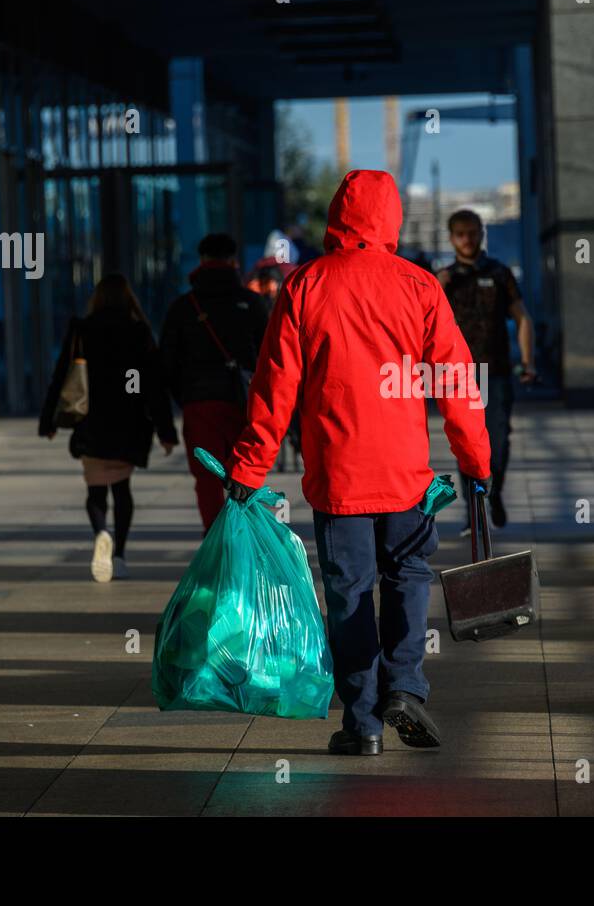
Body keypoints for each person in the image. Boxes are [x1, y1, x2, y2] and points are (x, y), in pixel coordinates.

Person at [223, 170, 491, 757]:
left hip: (337, 475)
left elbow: (274, 389)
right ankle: (406, 686)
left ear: (338, 217)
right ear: (391, 217)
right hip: (405, 474)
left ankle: (363, 723)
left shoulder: (305, 286)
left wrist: (248, 468)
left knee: (348, 592)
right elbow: (456, 381)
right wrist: (477, 461)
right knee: (408, 576)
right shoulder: (420, 286)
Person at [40, 274, 177, 583]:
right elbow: (154, 386)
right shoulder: (138, 332)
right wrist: (166, 431)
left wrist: (48, 421)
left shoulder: (82, 330)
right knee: (122, 489)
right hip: (128, 423)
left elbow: (61, 376)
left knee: (95, 489)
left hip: (91, 421)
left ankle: (102, 532)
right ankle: (120, 556)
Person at [159, 233, 269, 532]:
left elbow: (165, 367)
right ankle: (245, 539)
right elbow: (273, 359)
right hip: (245, 403)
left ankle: (216, 539)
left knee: (207, 481)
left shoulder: (184, 307)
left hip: (199, 404)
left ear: (202, 260)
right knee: (247, 474)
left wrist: (166, 424)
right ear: (234, 261)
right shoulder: (252, 302)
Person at [436, 209, 537, 534]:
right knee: (465, 442)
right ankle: (473, 510)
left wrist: (527, 361)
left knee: (498, 441)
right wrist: (438, 287)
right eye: (461, 234)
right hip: (458, 377)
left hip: (496, 371)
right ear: (451, 239)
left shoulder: (499, 273)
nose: (468, 239)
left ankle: (493, 494)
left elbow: (522, 318)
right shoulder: (443, 279)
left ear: (482, 234)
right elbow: (423, 326)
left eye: (473, 232)